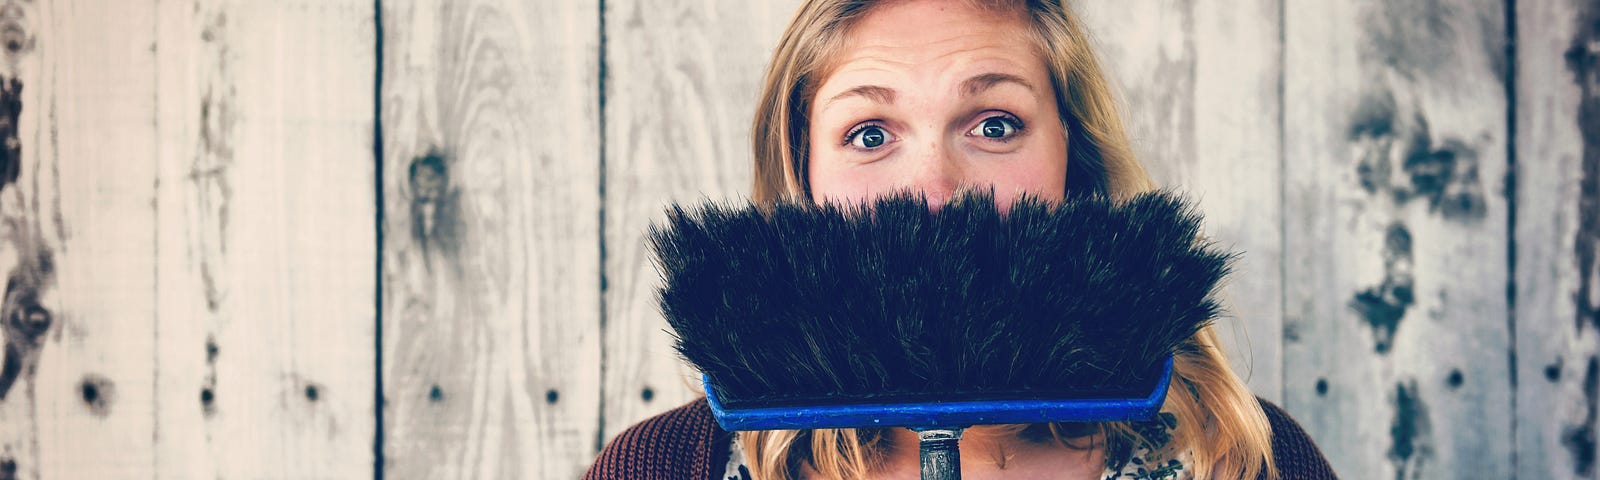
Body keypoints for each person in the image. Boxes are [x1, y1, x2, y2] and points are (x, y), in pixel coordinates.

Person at [587, 0, 1335, 478]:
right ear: (803, 178)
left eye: (995, 125)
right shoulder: (661, 467)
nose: (935, 189)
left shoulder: (1245, 458)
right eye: (870, 133)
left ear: (1073, 161)